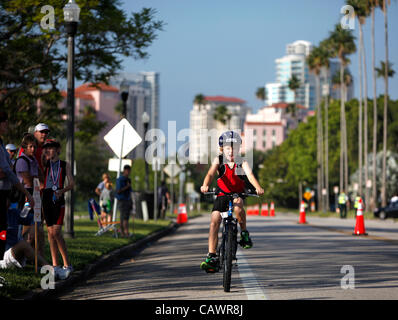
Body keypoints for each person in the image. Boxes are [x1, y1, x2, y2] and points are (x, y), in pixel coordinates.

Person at [199, 131, 264, 273]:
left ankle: (244, 232)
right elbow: (210, 174)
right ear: (222, 149)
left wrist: (257, 187)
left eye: (234, 147)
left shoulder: (242, 161)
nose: (231, 151)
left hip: (237, 193)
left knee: (239, 207)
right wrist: (205, 185)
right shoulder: (219, 160)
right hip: (222, 194)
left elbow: (250, 175)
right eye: (228, 148)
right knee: (214, 219)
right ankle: (212, 255)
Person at [0, 111, 35, 260]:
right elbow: (6, 171)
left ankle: (1, 258)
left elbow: (6, 171)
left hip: (5, 193)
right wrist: (27, 193)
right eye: (4, 121)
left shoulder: (1, 143)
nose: (7, 124)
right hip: (3, 192)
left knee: (2, 231)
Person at [42, 139, 74, 280]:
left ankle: (67, 264)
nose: (48, 150)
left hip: (58, 198)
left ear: (57, 149)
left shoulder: (64, 165)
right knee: (50, 233)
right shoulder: (45, 164)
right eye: (46, 148)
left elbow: (72, 183)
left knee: (56, 232)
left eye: (51, 148)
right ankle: (55, 266)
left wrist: (62, 190)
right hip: (46, 198)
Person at [14, 133, 45, 256]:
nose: (33, 149)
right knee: (27, 228)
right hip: (25, 196)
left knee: (37, 228)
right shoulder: (22, 161)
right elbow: (27, 180)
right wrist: (36, 178)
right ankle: (21, 255)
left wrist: (37, 178)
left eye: (35, 147)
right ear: (25, 147)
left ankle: (34, 257)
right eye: (30, 147)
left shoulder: (33, 160)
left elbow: (41, 177)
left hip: (34, 194)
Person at [116, 165, 132, 238]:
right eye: (128, 171)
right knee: (122, 218)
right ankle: (123, 233)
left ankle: (126, 232)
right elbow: (118, 191)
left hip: (128, 200)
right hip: (122, 200)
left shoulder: (128, 179)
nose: (129, 172)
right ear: (124, 170)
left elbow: (130, 191)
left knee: (126, 218)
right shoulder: (120, 179)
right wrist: (127, 187)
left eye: (129, 171)